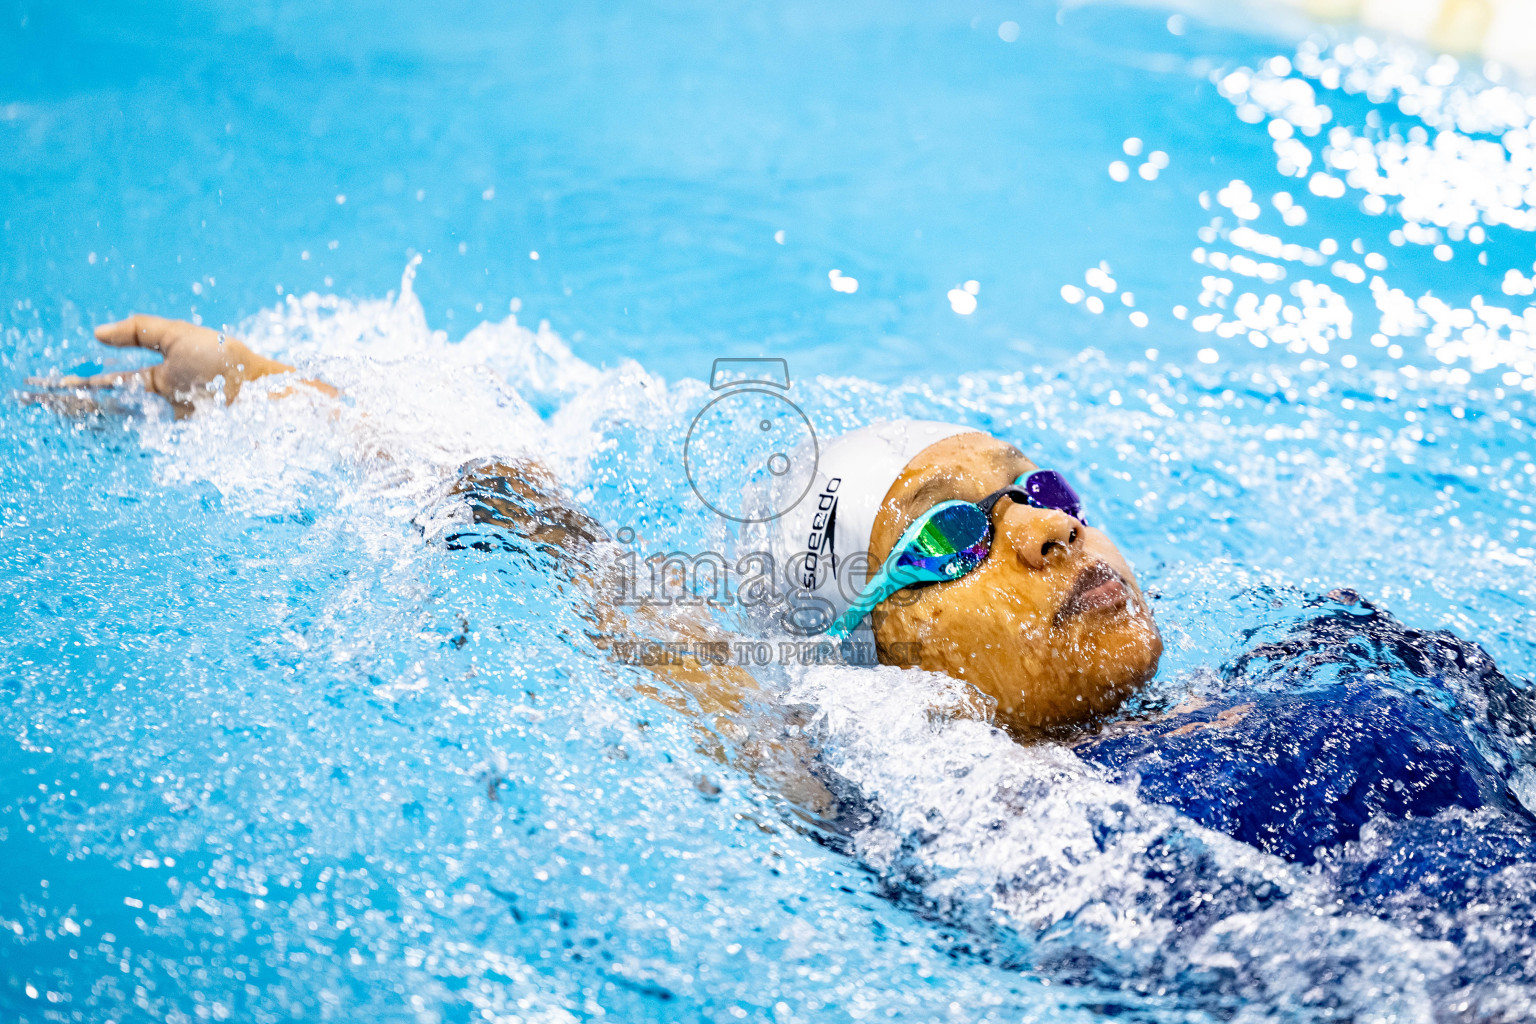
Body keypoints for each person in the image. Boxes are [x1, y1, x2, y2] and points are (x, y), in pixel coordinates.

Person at [25, 315, 1536, 909]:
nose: (1043, 526)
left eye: (1032, 486)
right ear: (871, 650)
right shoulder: (926, 788)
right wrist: (302, 408)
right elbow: (590, 566)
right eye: (952, 535)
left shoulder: (1331, 646)